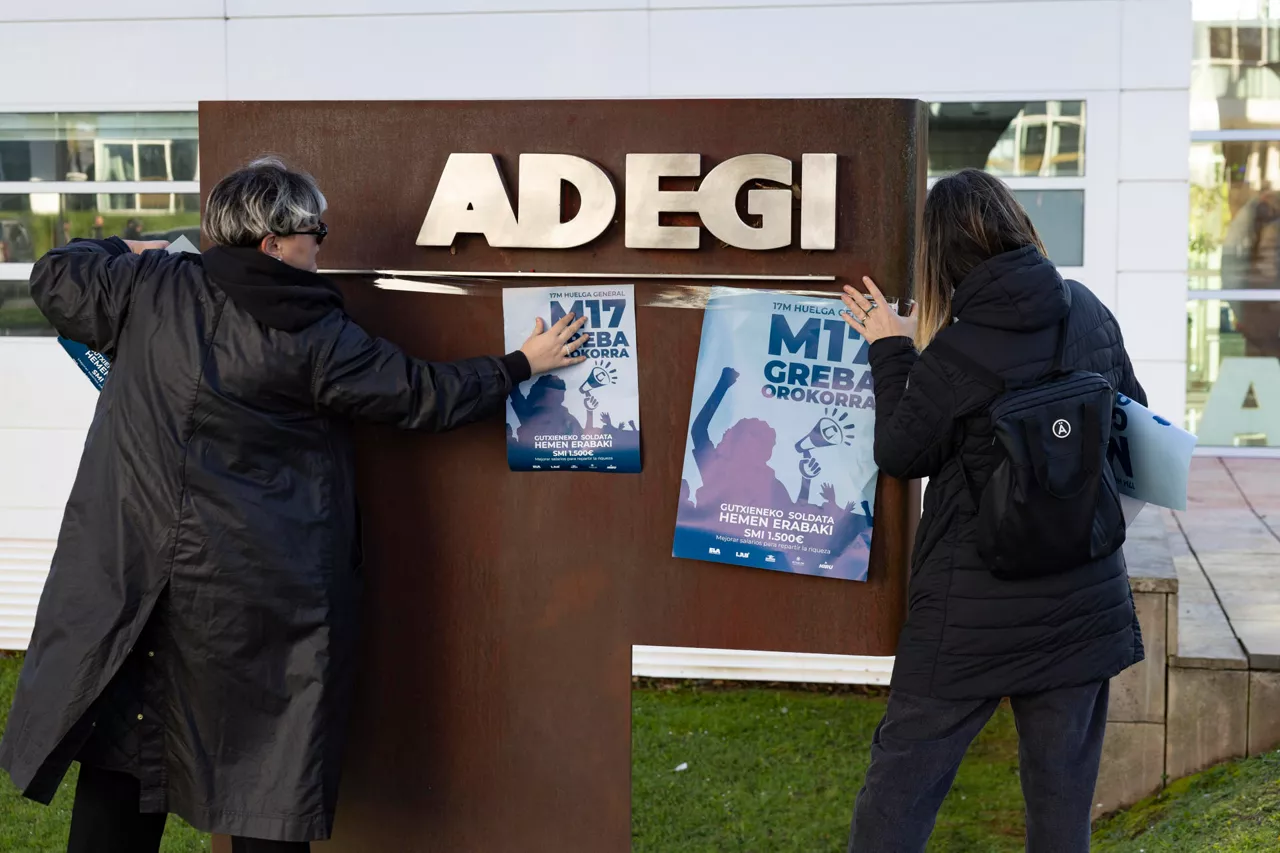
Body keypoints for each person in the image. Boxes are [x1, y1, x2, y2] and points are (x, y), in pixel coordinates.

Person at [0, 156, 587, 853]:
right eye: (316, 230)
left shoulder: (150, 284)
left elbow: (54, 272)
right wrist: (522, 362)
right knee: (263, 776)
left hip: (134, 585)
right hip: (248, 606)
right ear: (275, 242)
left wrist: (135, 245)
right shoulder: (312, 332)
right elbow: (419, 394)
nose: (321, 243)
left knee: (125, 760)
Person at [840, 168, 1145, 853]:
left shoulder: (956, 354)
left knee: (898, 797)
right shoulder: (1089, 310)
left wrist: (891, 347)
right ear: (1018, 225)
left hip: (969, 620)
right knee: (1062, 814)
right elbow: (1130, 414)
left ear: (939, 259)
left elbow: (900, 451)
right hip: (1083, 602)